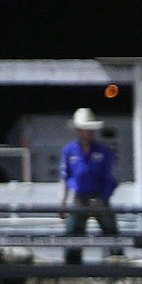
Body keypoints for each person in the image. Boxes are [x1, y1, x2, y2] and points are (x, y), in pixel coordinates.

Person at [59, 107, 119, 264]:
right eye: (85, 129)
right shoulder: (69, 151)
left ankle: (119, 262)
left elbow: (110, 179)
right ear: (78, 130)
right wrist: (63, 200)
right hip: (80, 197)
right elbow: (65, 177)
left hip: (100, 197)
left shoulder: (104, 152)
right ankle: (72, 267)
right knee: (72, 233)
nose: (89, 132)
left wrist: (103, 198)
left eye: (90, 129)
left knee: (111, 232)